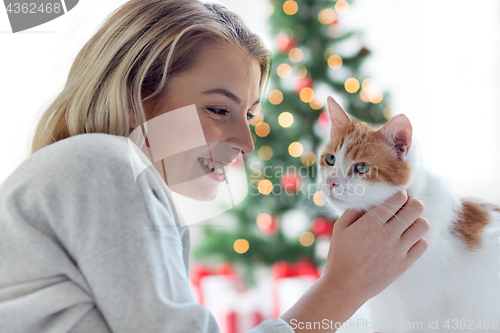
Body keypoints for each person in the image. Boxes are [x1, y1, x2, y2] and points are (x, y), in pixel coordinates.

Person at [0, 0, 429, 332]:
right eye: (219, 110)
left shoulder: (86, 178)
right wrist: (342, 288)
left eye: (252, 116)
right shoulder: (101, 164)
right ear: (136, 94)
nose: (246, 142)